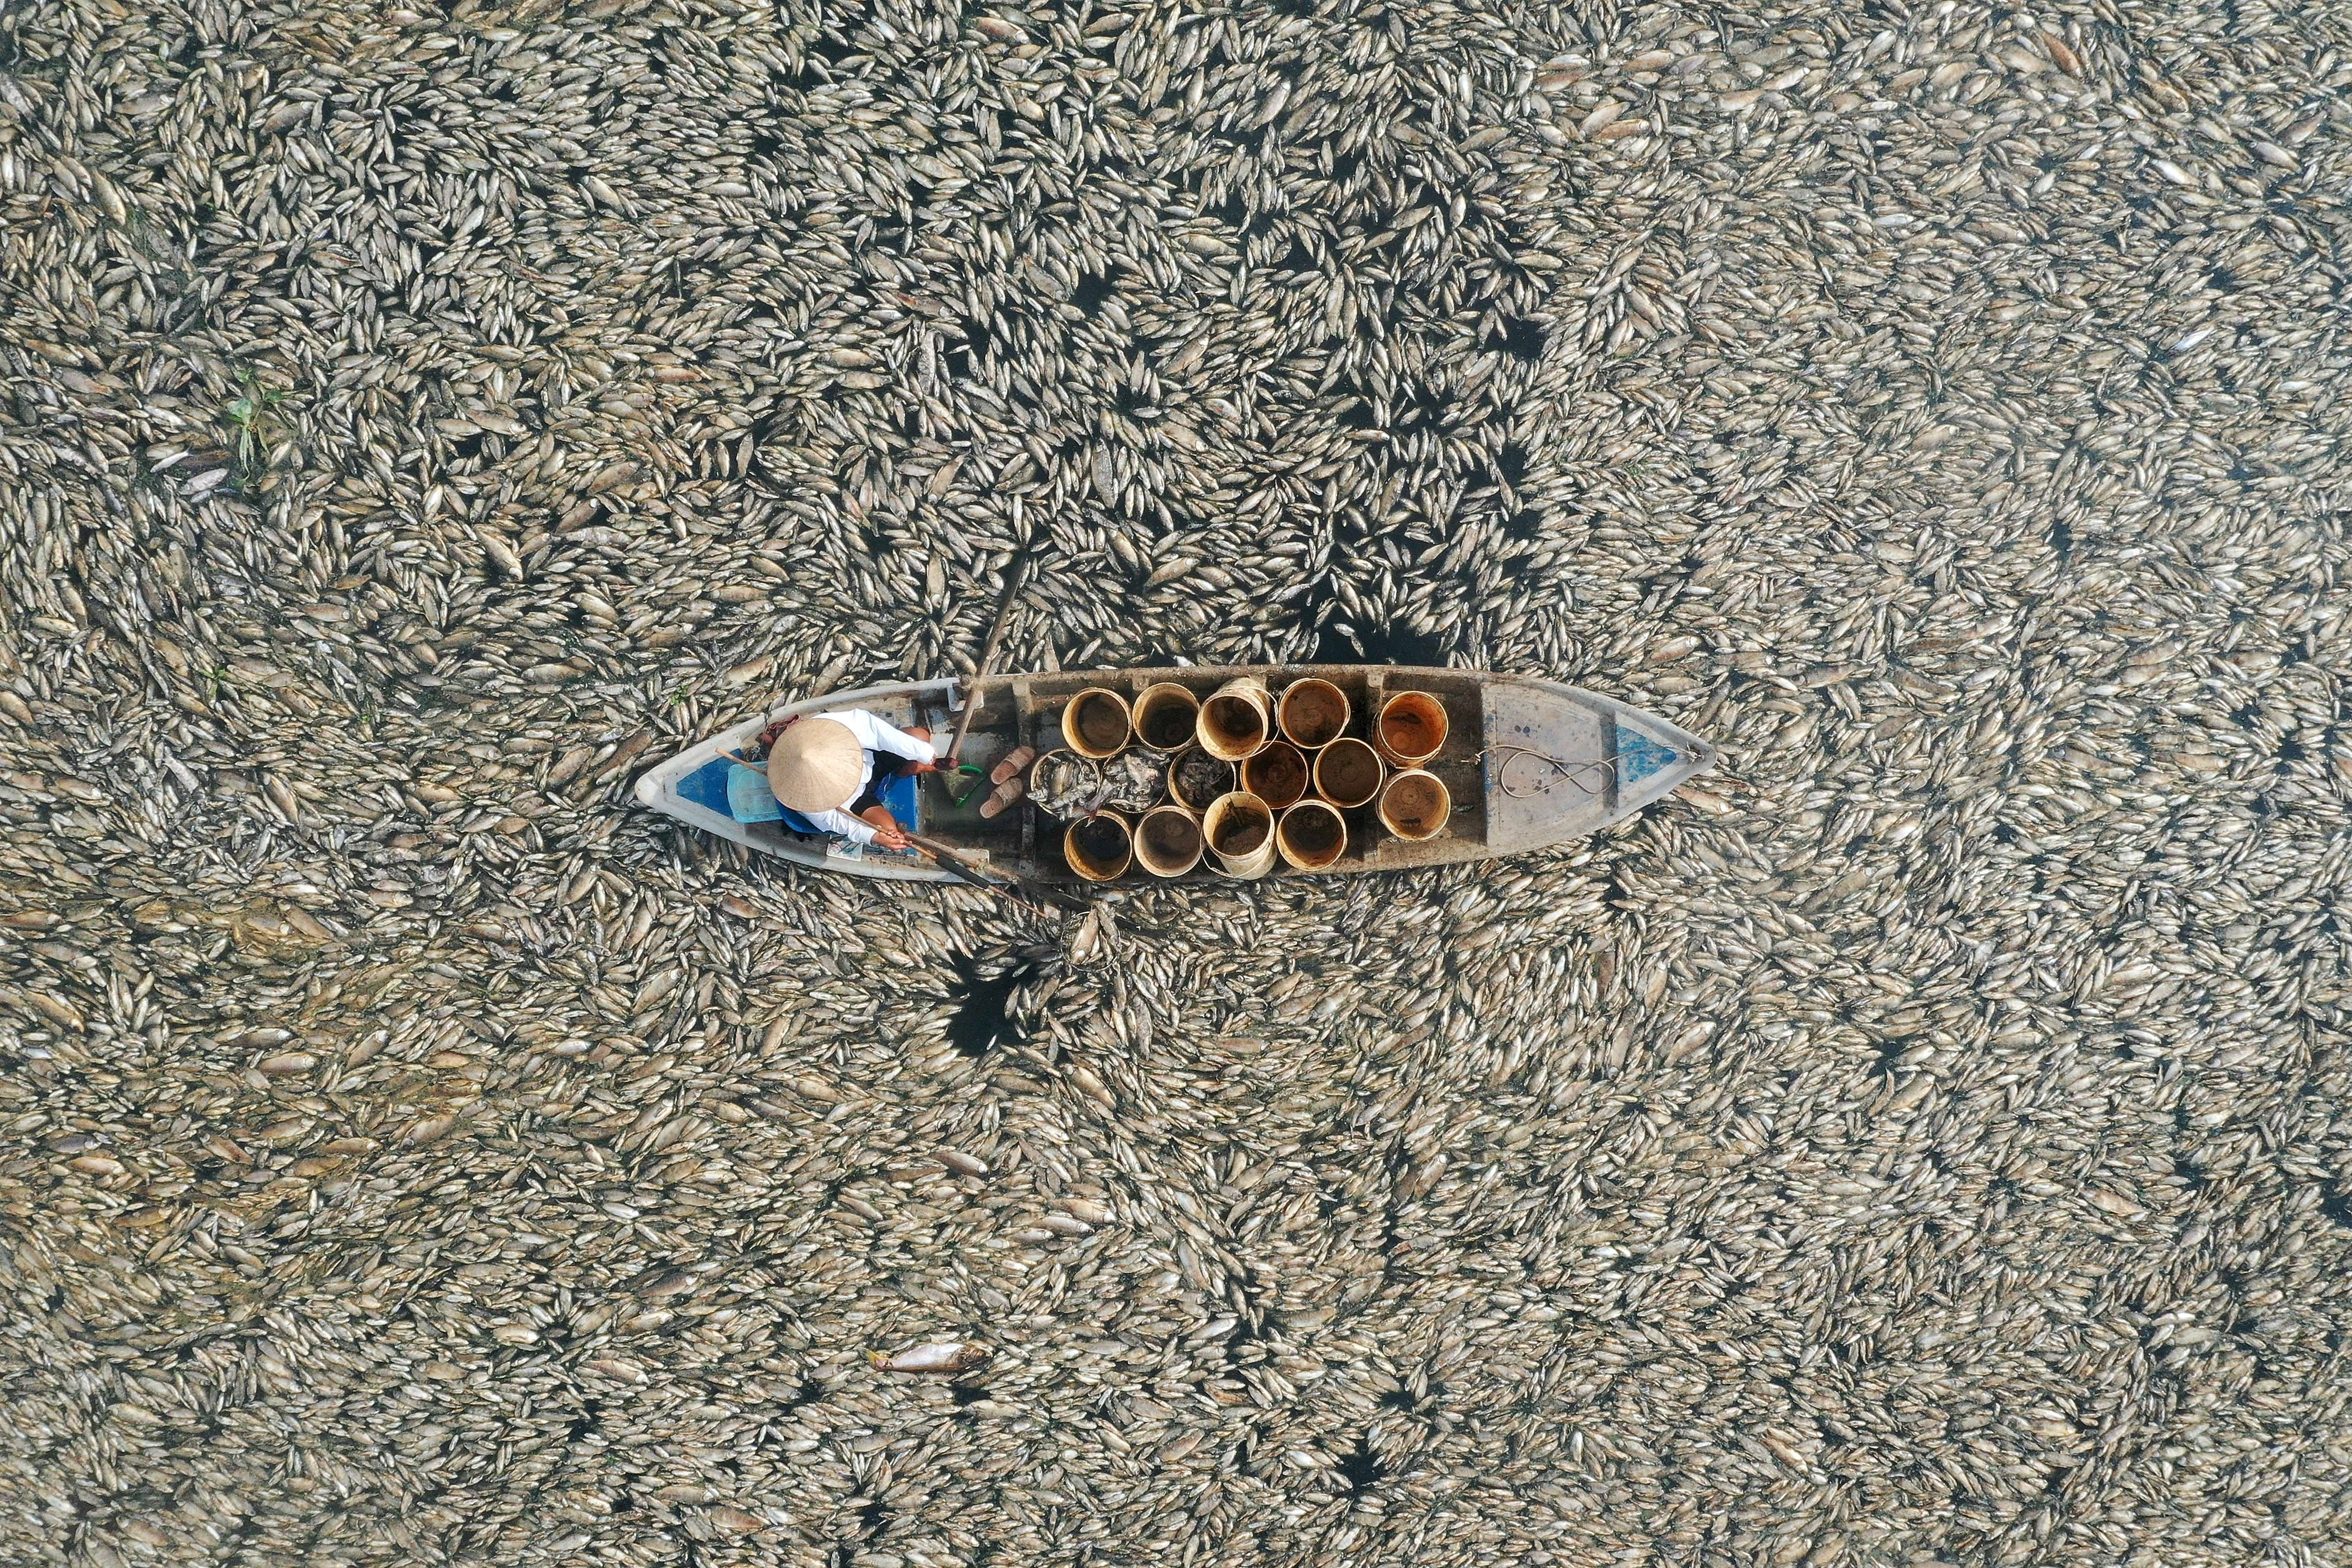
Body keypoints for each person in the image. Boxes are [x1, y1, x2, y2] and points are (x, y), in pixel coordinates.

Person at [757, 710, 937, 850]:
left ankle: (909, 768)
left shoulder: (828, 725)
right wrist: (874, 836)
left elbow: (876, 731)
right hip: (855, 799)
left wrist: (927, 755)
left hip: (868, 761)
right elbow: (840, 823)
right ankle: (908, 769)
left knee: (921, 737)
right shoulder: (803, 798)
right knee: (889, 830)